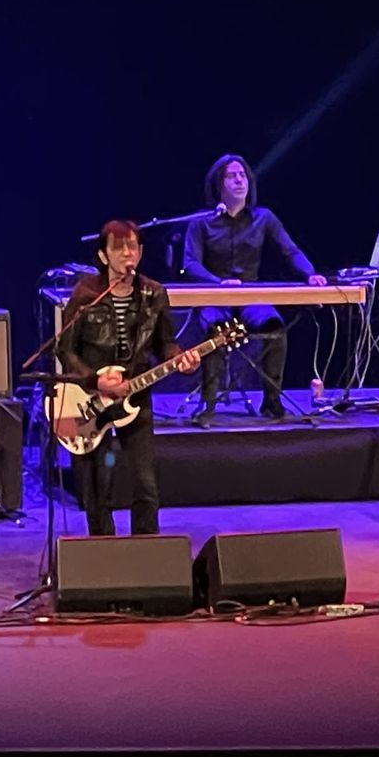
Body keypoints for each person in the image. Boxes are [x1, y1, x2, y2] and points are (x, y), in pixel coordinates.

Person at [58, 221, 200, 535]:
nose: (127, 254)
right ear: (103, 255)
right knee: (98, 488)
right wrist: (96, 380)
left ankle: (145, 558)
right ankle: (104, 558)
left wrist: (181, 359)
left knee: (146, 485)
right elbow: (64, 351)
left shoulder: (154, 293)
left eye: (132, 247)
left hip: (135, 398)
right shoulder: (86, 295)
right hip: (91, 403)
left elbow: (165, 344)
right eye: (118, 248)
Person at [183, 154, 325, 419]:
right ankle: (209, 404)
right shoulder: (200, 222)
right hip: (215, 297)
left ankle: (271, 400)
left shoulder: (264, 217)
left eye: (243, 175)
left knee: (275, 327)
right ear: (218, 184)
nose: (239, 180)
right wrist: (219, 283)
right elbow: (190, 264)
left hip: (251, 298)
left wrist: (310, 274)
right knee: (215, 330)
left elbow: (290, 251)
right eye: (232, 176)